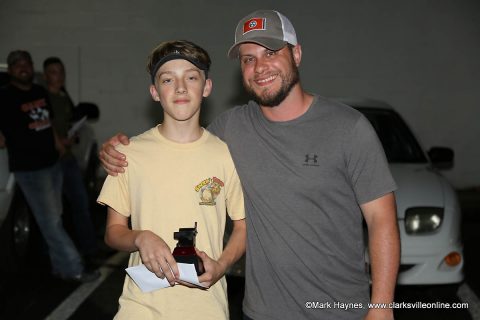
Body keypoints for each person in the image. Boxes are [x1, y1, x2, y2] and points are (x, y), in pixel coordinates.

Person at [100, 10, 400, 320]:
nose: (260, 67)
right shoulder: (231, 130)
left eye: (271, 52)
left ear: (296, 54)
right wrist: (115, 149)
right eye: (248, 58)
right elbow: (179, 144)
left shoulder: (348, 127)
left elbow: (382, 220)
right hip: (262, 311)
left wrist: (382, 308)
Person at [96, 40, 246, 319]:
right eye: (168, 79)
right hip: (141, 305)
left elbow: (242, 226)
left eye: (191, 77)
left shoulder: (225, 155)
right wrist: (140, 237)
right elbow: (113, 232)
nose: (180, 87)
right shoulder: (129, 154)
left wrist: (222, 265)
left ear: (207, 87)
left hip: (206, 306)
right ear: (155, 92)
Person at [0, 50, 99, 282]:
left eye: (26, 62)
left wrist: (58, 144)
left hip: (52, 163)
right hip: (30, 168)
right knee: (51, 220)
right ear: (12, 70)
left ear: (31, 66)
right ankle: (74, 268)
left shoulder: (38, 92)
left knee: (55, 216)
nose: (22, 66)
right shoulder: (4, 96)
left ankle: (59, 266)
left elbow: (48, 123)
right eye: (17, 64)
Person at [43, 57, 99, 263]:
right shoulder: (43, 98)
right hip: (50, 162)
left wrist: (71, 135)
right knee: (53, 210)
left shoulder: (63, 97)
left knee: (80, 202)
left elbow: (66, 124)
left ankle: (89, 249)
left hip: (67, 159)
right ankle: (54, 257)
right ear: (46, 75)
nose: (60, 75)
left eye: (61, 71)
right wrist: (60, 140)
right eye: (54, 72)